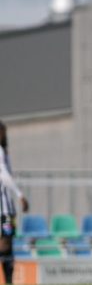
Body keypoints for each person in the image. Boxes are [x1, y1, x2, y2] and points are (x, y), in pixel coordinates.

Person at [0, 121, 29, 284]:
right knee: (6, 243)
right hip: (4, 211)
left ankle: (9, 281)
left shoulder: (4, 152)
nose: (4, 135)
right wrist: (20, 195)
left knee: (9, 246)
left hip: (7, 210)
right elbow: (4, 175)